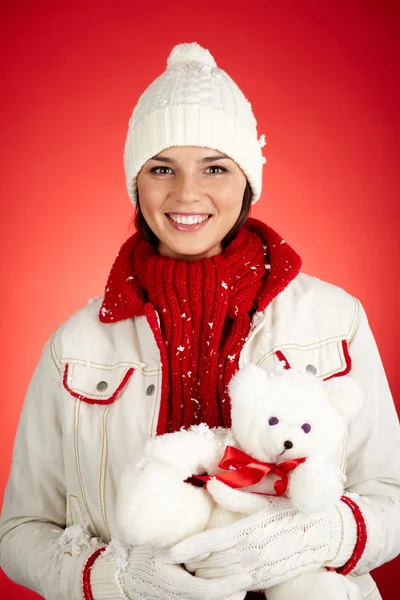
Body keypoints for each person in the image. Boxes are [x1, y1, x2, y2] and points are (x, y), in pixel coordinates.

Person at [0, 41, 399, 600]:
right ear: (136, 183)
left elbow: (391, 494)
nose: (187, 193)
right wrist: (117, 580)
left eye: (215, 167)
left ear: (248, 181)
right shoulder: (77, 344)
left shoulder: (337, 319)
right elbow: (20, 532)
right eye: (162, 168)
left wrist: (320, 537)